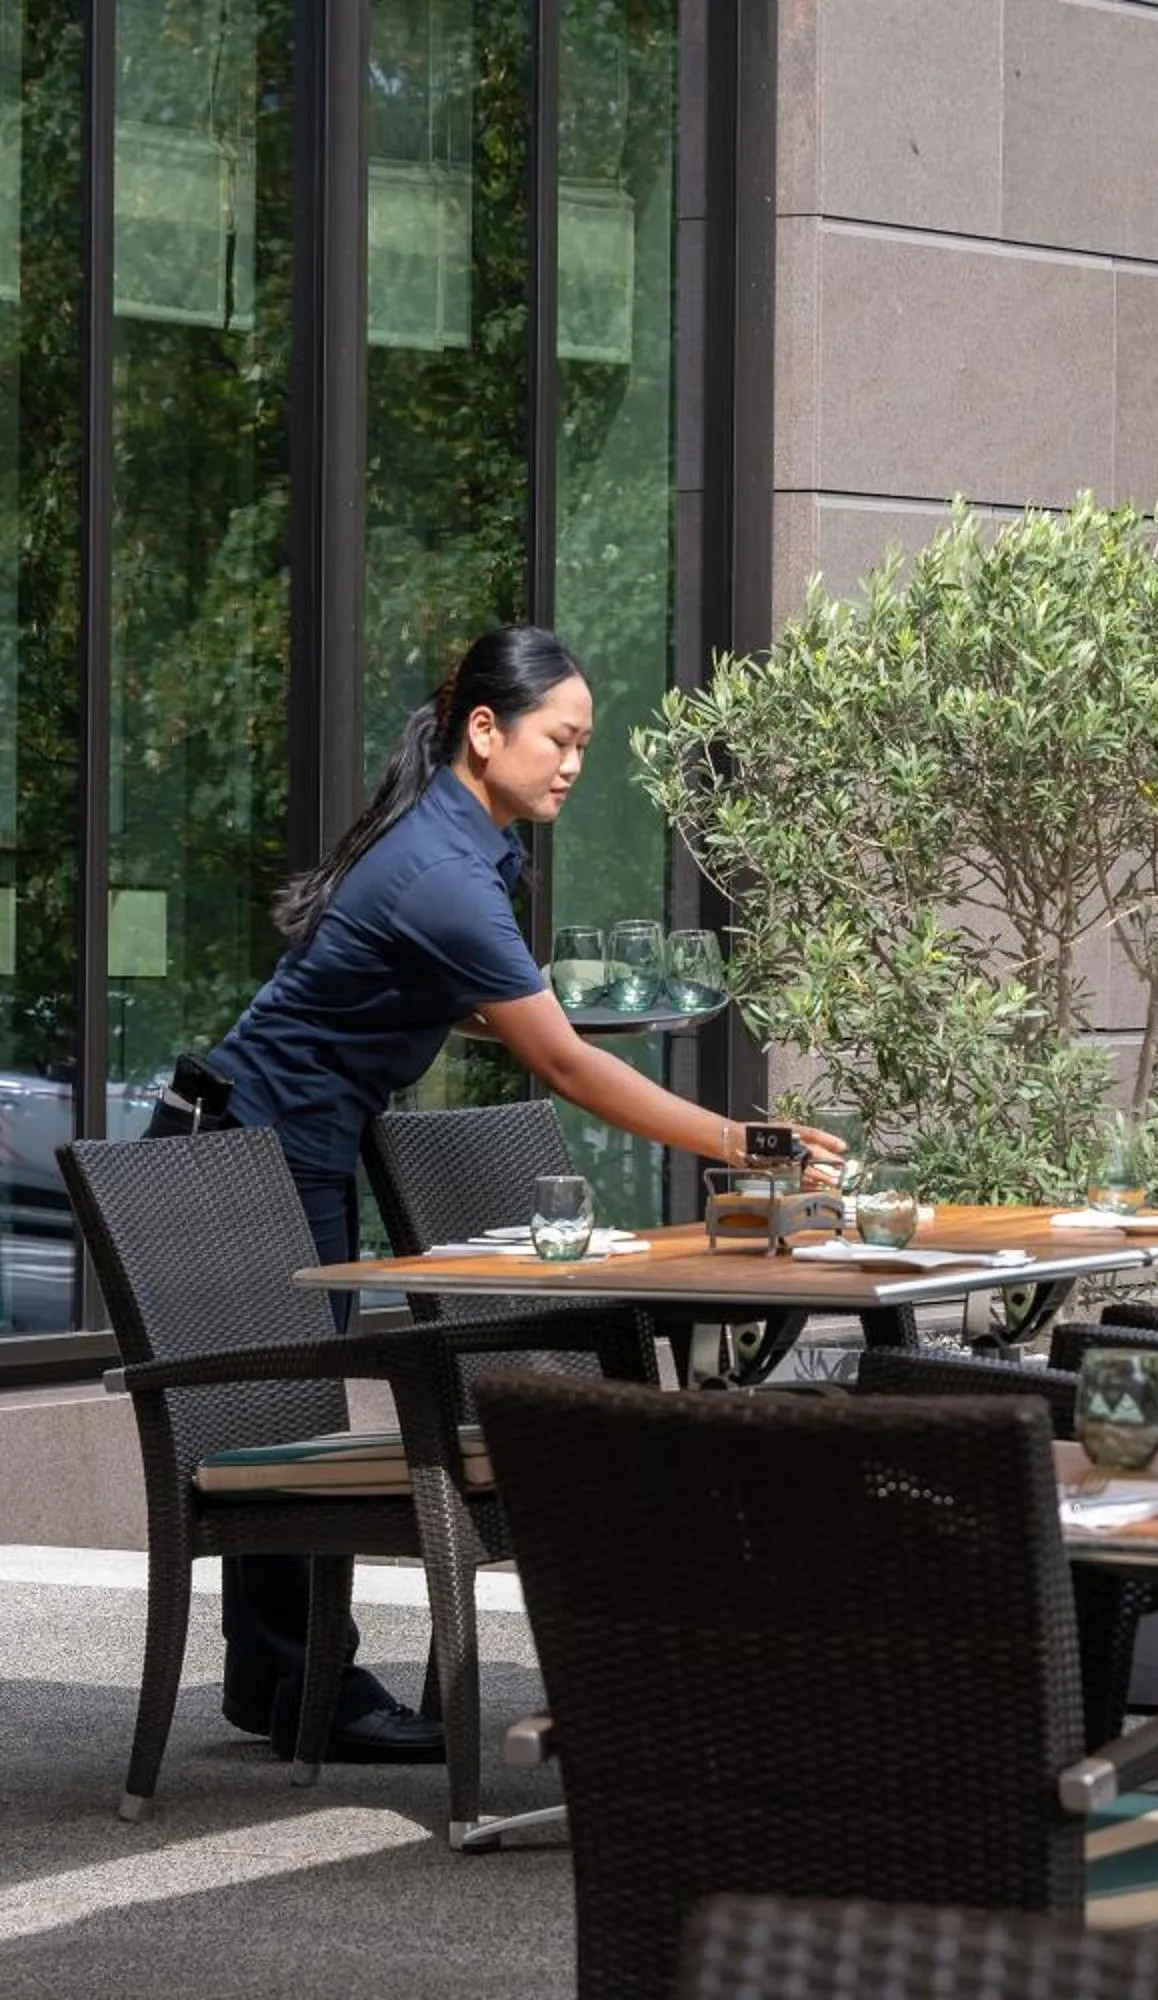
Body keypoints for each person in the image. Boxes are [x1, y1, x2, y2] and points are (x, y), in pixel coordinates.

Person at [155, 624, 842, 1763]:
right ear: (487, 730)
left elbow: (462, 998)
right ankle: (299, 1687)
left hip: (286, 1140)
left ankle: (281, 1681)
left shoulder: (462, 844)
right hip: (248, 1149)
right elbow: (563, 1064)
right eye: (559, 738)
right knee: (287, 1413)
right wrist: (747, 1139)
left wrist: (534, 1012)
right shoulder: (441, 867)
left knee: (297, 1402)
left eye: (585, 742)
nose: (574, 761)